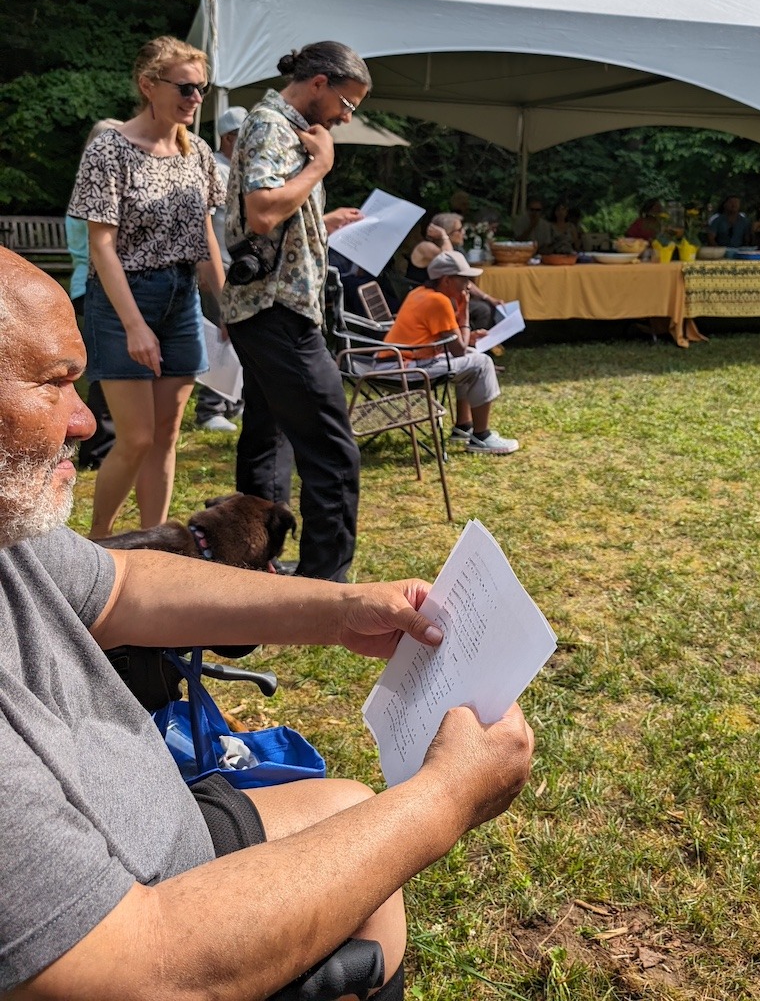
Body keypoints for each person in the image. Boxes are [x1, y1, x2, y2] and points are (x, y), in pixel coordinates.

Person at [0, 245, 534, 1001]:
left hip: (154, 829)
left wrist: (340, 608)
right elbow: (139, 969)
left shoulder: (10, 532)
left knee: (347, 807)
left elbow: (120, 587)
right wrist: (446, 799)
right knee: (371, 872)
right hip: (143, 917)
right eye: (54, 385)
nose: (84, 420)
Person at [67, 37, 226, 537]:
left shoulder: (197, 152)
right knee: (135, 438)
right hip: (123, 300)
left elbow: (204, 237)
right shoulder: (109, 149)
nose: (195, 98)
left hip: (182, 300)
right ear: (148, 85)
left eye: (201, 88)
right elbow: (101, 246)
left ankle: (154, 545)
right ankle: (100, 543)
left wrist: (228, 306)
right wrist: (135, 326)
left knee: (166, 435)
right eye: (185, 87)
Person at [220, 41, 366, 583]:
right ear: (319, 83)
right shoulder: (274, 126)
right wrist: (322, 165)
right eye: (347, 104)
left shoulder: (283, 127)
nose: (347, 118)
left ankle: (253, 563)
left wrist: (320, 226)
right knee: (333, 452)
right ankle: (324, 585)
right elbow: (262, 212)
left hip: (265, 309)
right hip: (278, 311)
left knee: (269, 439)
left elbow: (272, 222)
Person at [383, 251, 519, 455]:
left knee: (472, 355)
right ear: (446, 280)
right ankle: (481, 437)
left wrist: (469, 338)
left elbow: (445, 340)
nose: (468, 285)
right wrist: (464, 312)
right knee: (481, 362)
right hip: (405, 369)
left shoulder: (420, 292)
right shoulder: (439, 301)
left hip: (395, 361)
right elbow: (458, 351)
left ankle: (463, 426)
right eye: (464, 279)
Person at [65, 118, 123, 471]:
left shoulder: (90, 188)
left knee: (106, 369)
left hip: (90, 288)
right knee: (106, 371)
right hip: (95, 289)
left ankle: (102, 448)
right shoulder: (94, 192)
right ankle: (99, 452)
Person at [194, 105, 249, 433]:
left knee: (238, 335)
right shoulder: (214, 168)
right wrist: (205, 269)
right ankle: (209, 408)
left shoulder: (241, 169)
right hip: (218, 266)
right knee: (220, 336)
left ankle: (234, 402)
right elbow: (203, 226)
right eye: (244, 136)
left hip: (238, 266)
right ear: (229, 138)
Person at [407, 212, 503, 330]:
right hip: (427, 299)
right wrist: (444, 236)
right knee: (483, 310)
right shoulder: (426, 247)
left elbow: (461, 279)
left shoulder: (453, 248)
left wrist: (488, 297)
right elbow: (449, 262)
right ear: (447, 233)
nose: (463, 232)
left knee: (487, 305)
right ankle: (471, 339)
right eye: (459, 230)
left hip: (443, 296)